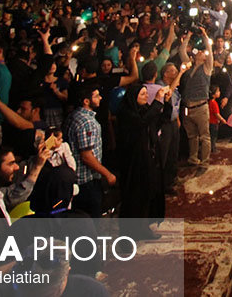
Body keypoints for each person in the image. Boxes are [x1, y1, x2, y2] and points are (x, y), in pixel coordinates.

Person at [116, 83, 169, 239]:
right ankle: (129, 234)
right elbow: (141, 122)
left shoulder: (145, 109)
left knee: (148, 195)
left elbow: (158, 121)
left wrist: (166, 103)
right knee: (134, 197)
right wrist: (157, 102)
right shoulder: (126, 113)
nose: (146, 96)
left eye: (147, 93)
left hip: (148, 158)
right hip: (134, 161)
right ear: (133, 97)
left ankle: (144, 228)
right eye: (142, 94)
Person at [64, 82, 115, 217]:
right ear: (86, 101)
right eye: (97, 96)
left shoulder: (73, 116)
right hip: (86, 180)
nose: (100, 98)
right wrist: (107, 174)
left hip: (78, 179)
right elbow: (87, 156)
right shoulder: (87, 122)